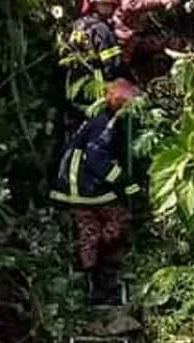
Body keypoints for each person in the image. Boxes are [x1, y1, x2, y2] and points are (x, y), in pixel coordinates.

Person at [49, 79, 143, 270]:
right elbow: (96, 158)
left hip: (75, 183)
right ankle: (102, 267)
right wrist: (123, 181)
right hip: (86, 184)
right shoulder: (105, 123)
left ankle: (91, 272)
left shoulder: (99, 117)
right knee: (119, 219)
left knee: (89, 230)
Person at [61, 0, 128, 105]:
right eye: (104, 4)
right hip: (96, 86)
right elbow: (112, 65)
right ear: (93, 5)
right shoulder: (102, 29)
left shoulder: (77, 25)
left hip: (73, 83)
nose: (109, 8)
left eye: (110, 4)